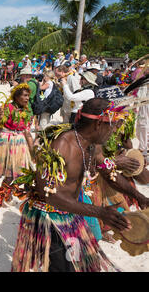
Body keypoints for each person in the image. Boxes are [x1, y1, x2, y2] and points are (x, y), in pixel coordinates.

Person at [11, 98, 149, 272]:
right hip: (48, 218)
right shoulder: (61, 145)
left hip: (70, 213)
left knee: (77, 264)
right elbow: (49, 195)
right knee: (62, 267)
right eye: (112, 125)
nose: (114, 131)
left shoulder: (93, 146)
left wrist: (140, 197)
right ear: (99, 123)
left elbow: (109, 172)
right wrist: (100, 212)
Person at [0, 84, 34, 192]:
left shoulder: (27, 111)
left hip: (21, 143)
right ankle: (3, 194)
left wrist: (32, 152)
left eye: (28, 95)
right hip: (7, 143)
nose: (27, 98)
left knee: (27, 172)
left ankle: (24, 194)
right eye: (24, 95)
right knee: (10, 173)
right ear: (16, 96)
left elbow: (27, 132)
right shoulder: (7, 108)